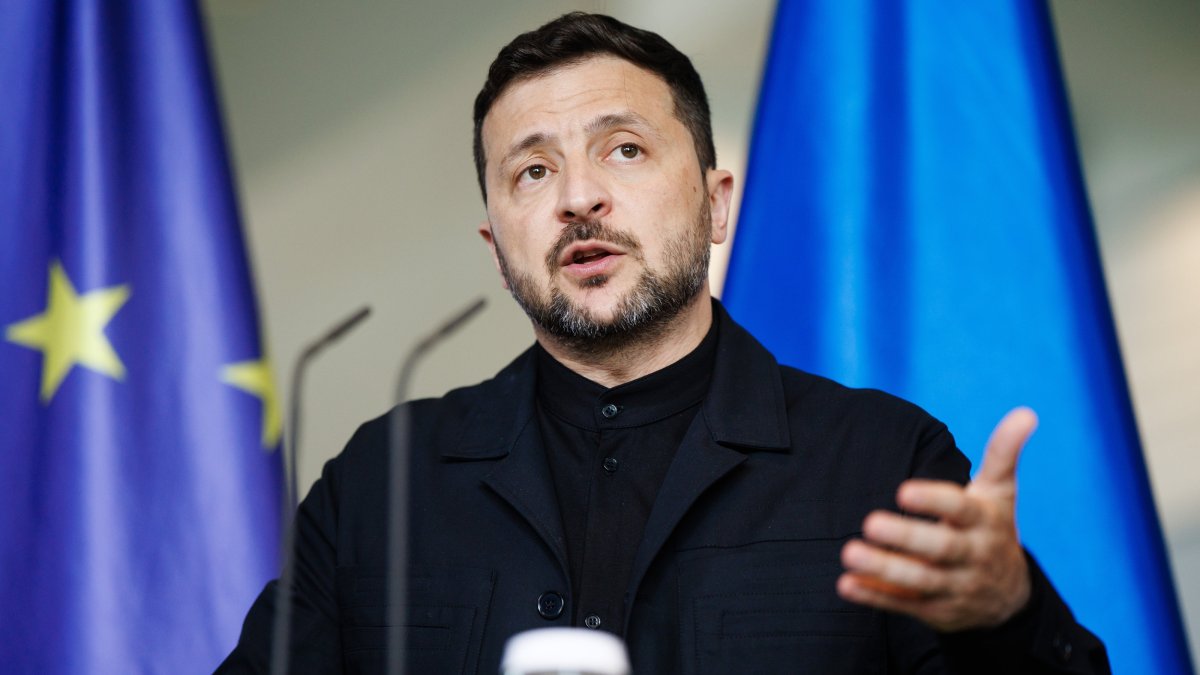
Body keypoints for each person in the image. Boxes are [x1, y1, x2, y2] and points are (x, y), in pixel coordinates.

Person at [220, 12, 1110, 674]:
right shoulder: (380, 484)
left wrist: (1009, 613)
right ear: (496, 247)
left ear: (716, 204)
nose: (578, 198)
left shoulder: (880, 460)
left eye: (624, 150)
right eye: (533, 170)